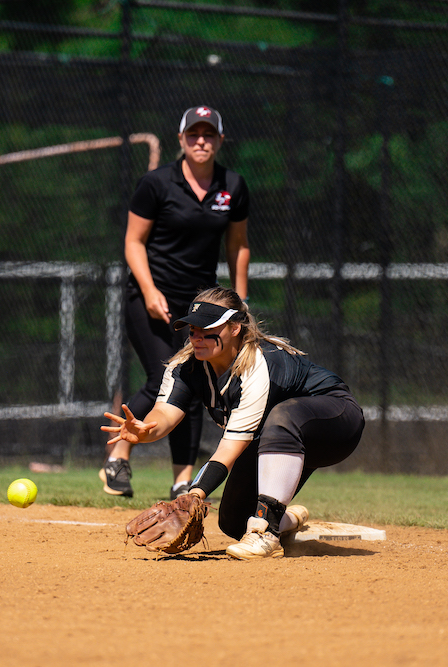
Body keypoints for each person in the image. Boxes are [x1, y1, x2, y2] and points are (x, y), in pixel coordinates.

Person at [102, 287, 365, 560]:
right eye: (192, 330)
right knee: (234, 521)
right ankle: (284, 520)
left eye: (207, 329)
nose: (197, 338)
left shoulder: (258, 363)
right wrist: (146, 431)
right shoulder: (186, 367)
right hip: (282, 444)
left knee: (282, 416)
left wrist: (194, 494)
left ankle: (265, 534)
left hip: (336, 423)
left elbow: (229, 449)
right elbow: (164, 413)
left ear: (235, 328)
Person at [100, 106, 251, 500]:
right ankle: (118, 456)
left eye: (209, 134)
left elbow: (238, 245)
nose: (201, 141)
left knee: (196, 383)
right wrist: (149, 291)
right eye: (193, 134)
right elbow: (133, 242)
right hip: (149, 295)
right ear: (181, 139)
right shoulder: (156, 183)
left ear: (220, 140)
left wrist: (240, 301)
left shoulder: (232, 186)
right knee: (164, 376)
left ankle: (182, 480)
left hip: (201, 305)